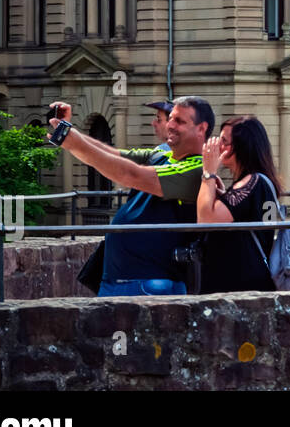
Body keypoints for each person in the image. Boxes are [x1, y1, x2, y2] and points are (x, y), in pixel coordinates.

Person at [48, 96, 212, 296]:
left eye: (179, 121)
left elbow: (130, 174)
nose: (170, 125)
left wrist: (71, 141)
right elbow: (109, 156)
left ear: (202, 129)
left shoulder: (198, 169)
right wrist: (68, 131)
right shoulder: (161, 155)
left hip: (151, 282)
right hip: (119, 280)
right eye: (170, 119)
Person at [197, 116, 281, 293]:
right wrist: (223, 195)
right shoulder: (263, 182)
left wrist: (208, 173)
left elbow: (205, 219)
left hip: (237, 282)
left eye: (224, 142)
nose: (218, 147)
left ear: (243, 147)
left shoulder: (251, 182)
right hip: (252, 278)